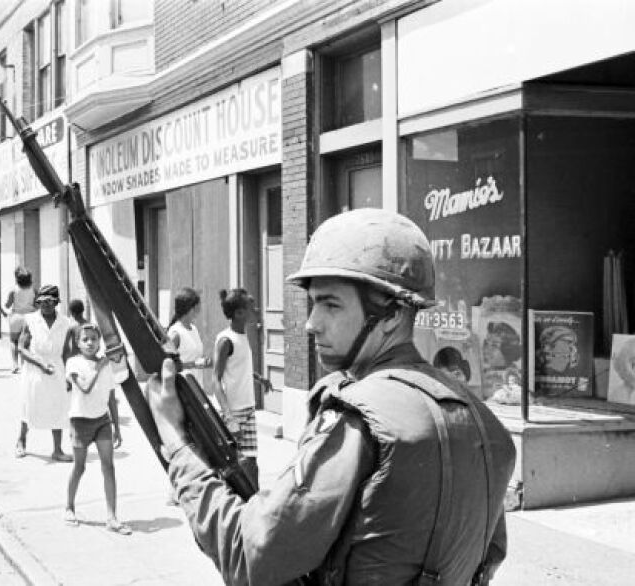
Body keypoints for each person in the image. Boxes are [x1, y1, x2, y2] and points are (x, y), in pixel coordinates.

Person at [146, 208, 516, 586]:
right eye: (314, 303)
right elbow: (487, 557)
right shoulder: (488, 427)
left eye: (331, 304)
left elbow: (250, 556)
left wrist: (177, 446)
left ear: (391, 315)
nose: (311, 322)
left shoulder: (358, 419)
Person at [63, 323, 131, 535]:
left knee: (108, 466)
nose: (90, 343)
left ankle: (111, 517)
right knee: (80, 467)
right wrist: (99, 367)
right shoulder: (73, 362)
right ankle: (69, 506)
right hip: (80, 421)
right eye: (85, 339)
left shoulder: (106, 364)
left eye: (94, 338)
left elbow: (111, 396)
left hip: (102, 420)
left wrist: (116, 426)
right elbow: (84, 388)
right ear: (78, 343)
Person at [16, 284, 73, 462]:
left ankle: (57, 449)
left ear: (56, 302)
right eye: (41, 302)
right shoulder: (30, 320)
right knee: (30, 405)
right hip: (34, 369)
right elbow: (21, 348)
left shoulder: (65, 323)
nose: (45, 305)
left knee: (59, 407)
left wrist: (69, 375)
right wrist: (40, 363)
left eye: (49, 301)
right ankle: (21, 440)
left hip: (57, 368)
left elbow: (66, 352)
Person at [212, 288, 260, 490]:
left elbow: (238, 368)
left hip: (248, 409)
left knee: (251, 463)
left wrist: (259, 378)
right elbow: (215, 380)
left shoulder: (242, 335)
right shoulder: (226, 340)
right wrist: (229, 417)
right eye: (251, 307)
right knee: (234, 467)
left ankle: (254, 503)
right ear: (239, 313)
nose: (255, 310)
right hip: (235, 412)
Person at [167, 287, 212, 387]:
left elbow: (195, 357)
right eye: (199, 304)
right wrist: (193, 364)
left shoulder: (194, 329)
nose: (200, 308)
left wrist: (205, 362)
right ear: (192, 308)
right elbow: (167, 366)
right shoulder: (175, 333)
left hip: (196, 388)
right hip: (182, 390)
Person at [5, 267, 36, 374]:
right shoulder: (33, 290)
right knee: (26, 342)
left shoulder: (13, 290)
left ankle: (14, 364)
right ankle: (24, 365)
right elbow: (36, 305)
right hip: (29, 317)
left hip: (16, 317)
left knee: (13, 341)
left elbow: (7, 305)